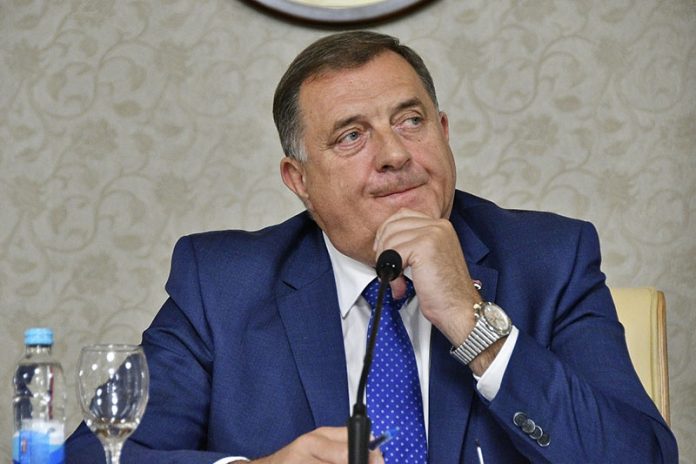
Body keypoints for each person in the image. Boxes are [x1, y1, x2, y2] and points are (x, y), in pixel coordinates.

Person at [66, 31, 678, 463]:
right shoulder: (221, 285)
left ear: (443, 133)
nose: (393, 154)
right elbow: (95, 455)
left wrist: (474, 325)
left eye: (410, 121)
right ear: (299, 180)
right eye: (351, 136)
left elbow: (642, 457)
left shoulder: (550, 259)